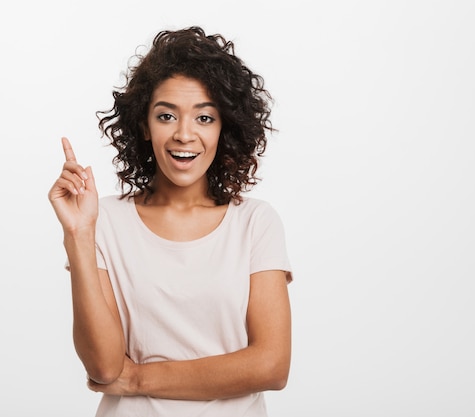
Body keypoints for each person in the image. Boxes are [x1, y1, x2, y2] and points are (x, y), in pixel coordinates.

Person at [48, 26, 293, 417]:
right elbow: (104, 367)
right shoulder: (104, 219)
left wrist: (139, 379)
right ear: (144, 125)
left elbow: (271, 365)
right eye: (166, 116)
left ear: (224, 128)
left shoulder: (255, 223)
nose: (184, 134)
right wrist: (78, 234)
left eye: (204, 118)